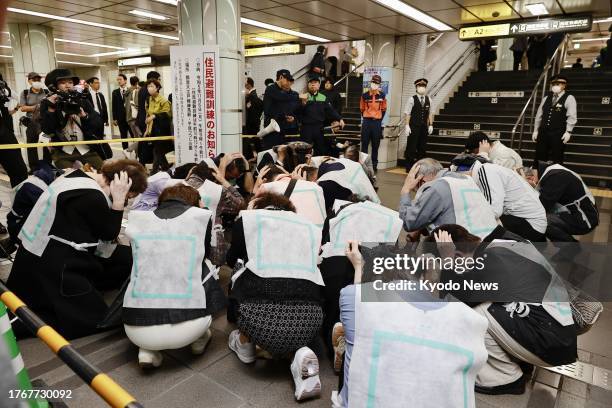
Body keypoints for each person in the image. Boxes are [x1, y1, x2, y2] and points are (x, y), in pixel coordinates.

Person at [333, 240, 488, 407]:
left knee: (356, 340)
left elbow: (359, 299)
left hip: (361, 400)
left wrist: (358, 266)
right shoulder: (473, 321)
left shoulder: (354, 296)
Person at [6, 159, 148, 339]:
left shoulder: (76, 177)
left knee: (126, 257)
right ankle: (22, 323)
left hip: (36, 256)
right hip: (55, 268)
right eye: (129, 195)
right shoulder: (91, 196)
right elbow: (108, 232)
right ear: (119, 184)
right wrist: (118, 201)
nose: (127, 201)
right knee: (92, 319)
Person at [428, 224, 577, 395]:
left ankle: (505, 377)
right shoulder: (498, 244)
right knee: (489, 304)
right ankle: (518, 359)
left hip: (551, 342)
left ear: (458, 255)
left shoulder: (493, 261)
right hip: (553, 330)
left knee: (473, 311)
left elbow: (455, 297)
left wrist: (446, 261)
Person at [226, 192, 325, 401]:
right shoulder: (310, 227)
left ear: (260, 207)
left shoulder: (247, 221)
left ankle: (245, 345)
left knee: (240, 267)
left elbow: (230, 259)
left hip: (257, 317)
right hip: (310, 319)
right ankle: (298, 352)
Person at [123, 184, 226, 368]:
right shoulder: (200, 217)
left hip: (135, 330)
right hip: (189, 328)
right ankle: (199, 339)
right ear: (194, 202)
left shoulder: (137, 218)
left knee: (141, 270)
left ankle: (146, 351)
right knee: (203, 267)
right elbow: (212, 255)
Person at [319, 200, 403, 365]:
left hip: (336, 261)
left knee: (333, 304)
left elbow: (323, 243)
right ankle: (359, 339)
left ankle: (335, 337)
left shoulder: (338, 215)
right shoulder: (387, 219)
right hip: (377, 267)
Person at [452, 154, 547, 242]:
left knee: (483, 225)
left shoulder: (485, 171)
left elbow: (494, 210)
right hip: (534, 223)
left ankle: (476, 255)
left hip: (531, 226)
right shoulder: (490, 169)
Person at [399, 158, 498, 241]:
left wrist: (405, 190)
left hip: (469, 249)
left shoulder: (436, 188)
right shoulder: (465, 179)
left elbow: (409, 223)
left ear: (421, 181)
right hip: (491, 237)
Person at [40, 68, 110, 170]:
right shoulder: (48, 102)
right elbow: (47, 129)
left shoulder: (82, 99)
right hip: (63, 151)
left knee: (105, 172)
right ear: (54, 86)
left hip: (86, 148)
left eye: (70, 82)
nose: (67, 85)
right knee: (69, 180)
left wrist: (85, 116)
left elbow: (98, 123)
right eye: (62, 83)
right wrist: (51, 109)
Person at [184, 160, 246, 266]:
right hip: (211, 248)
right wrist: (222, 180)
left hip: (185, 242)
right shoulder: (217, 191)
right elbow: (240, 204)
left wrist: (187, 178)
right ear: (213, 175)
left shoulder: (176, 187)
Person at [520, 163, 598, 242]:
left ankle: (570, 247)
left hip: (584, 219)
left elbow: (541, 207)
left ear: (530, 178)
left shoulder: (556, 177)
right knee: (535, 216)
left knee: (539, 219)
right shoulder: (549, 171)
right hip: (573, 213)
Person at [255, 163, 326, 227]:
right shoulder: (316, 187)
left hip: (297, 237)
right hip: (320, 236)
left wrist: (256, 187)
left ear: (264, 179)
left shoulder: (266, 188)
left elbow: (250, 216)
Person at [6, 162, 60, 245]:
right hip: (19, 228)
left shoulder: (38, 180)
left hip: (20, 222)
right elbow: (50, 211)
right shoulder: (34, 187)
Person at [532, 75, 577, 166]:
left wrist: (568, 131)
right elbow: (539, 115)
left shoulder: (569, 98)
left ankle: (555, 177)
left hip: (558, 132)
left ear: (564, 85)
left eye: (558, 84)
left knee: (557, 157)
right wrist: (536, 130)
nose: (555, 85)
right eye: (554, 84)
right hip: (543, 132)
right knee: (539, 156)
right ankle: (537, 176)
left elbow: (572, 116)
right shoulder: (546, 98)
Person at [298, 76, 344, 156]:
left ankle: (318, 167)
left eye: (315, 83)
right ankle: (304, 167)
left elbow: (331, 110)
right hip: (306, 128)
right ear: (308, 85)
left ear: (319, 86)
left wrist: (340, 118)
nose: (313, 85)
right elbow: (297, 112)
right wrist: (303, 104)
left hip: (319, 128)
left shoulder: (323, 97)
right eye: (311, 83)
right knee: (304, 150)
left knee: (320, 149)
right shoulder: (303, 97)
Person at [19, 72, 50, 169]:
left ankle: (47, 165)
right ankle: (34, 167)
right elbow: (23, 108)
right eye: (34, 80)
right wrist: (38, 107)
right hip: (31, 122)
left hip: (44, 122)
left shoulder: (46, 92)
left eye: (38, 80)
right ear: (29, 81)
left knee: (46, 143)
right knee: (31, 145)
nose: (37, 81)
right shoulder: (25, 93)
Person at [262, 69, 299, 149]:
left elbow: (279, 108)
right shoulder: (271, 88)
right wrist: (299, 96)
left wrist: (286, 117)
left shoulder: (281, 91)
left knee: (280, 150)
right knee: (270, 151)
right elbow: (281, 97)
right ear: (281, 77)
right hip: (271, 126)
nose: (288, 82)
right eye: (287, 80)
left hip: (281, 126)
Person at [403, 78, 433, 171]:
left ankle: (421, 167)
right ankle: (409, 166)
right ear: (416, 87)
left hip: (424, 127)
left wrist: (431, 124)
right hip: (414, 127)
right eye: (420, 86)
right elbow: (408, 113)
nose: (422, 88)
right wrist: (407, 125)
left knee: (422, 147)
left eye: (423, 86)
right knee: (411, 147)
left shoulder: (429, 99)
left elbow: (430, 113)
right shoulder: (412, 99)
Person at [144, 79, 173, 173]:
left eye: (152, 86)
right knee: (157, 151)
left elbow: (167, 115)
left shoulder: (163, 100)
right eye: (148, 86)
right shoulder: (149, 99)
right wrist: (147, 130)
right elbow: (149, 114)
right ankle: (162, 169)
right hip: (153, 130)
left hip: (161, 131)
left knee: (158, 151)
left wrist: (154, 116)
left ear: (157, 88)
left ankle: (159, 170)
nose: (149, 88)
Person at [359, 74, 386, 172]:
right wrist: (367, 117)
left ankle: (374, 165)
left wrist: (378, 119)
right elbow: (362, 109)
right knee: (364, 144)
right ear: (371, 82)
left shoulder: (382, 95)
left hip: (377, 123)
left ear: (379, 85)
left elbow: (383, 109)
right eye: (373, 82)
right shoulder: (364, 95)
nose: (375, 84)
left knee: (375, 145)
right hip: (366, 122)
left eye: (377, 83)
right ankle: (363, 165)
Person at [136, 71, 161, 164]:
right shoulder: (149, 91)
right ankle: (142, 163)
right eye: (158, 79)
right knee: (147, 144)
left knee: (146, 143)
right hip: (147, 121)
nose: (159, 81)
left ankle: (160, 163)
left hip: (143, 119)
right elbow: (150, 108)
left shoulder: (143, 89)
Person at [112, 74, 132, 150]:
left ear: (125, 80)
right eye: (118, 80)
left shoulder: (130, 90)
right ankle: (125, 152)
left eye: (120, 79)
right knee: (123, 136)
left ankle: (137, 153)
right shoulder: (115, 92)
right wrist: (114, 118)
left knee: (133, 136)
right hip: (121, 118)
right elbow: (114, 106)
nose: (119, 81)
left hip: (130, 118)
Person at [123, 76, 140, 159]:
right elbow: (137, 105)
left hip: (129, 118)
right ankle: (129, 150)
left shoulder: (127, 91)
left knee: (136, 138)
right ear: (137, 83)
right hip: (135, 118)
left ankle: (137, 157)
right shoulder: (135, 91)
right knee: (141, 138)